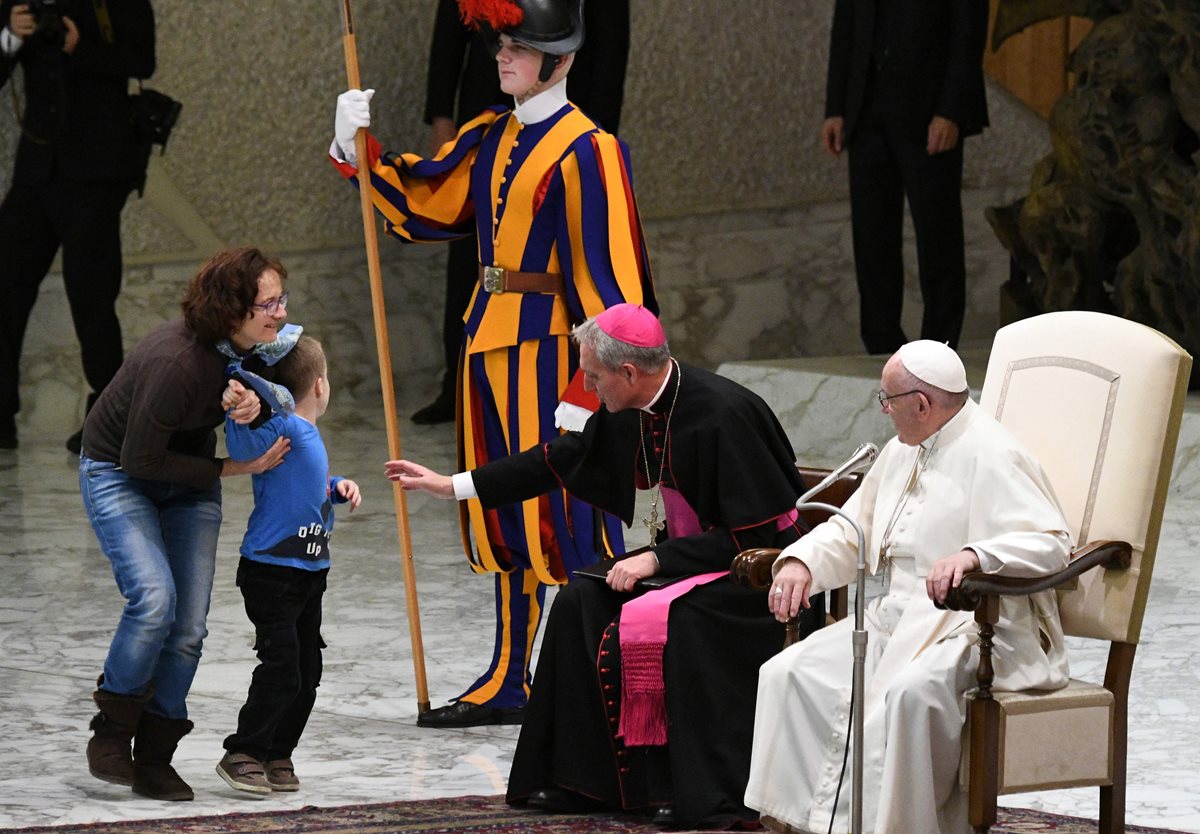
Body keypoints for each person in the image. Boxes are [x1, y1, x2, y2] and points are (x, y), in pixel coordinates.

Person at [331, 0, 656, 728]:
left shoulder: (588, 149)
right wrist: (358, 149)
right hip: (487, 348)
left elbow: (613, 290)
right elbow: (425, 206)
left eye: (519, 46)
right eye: (501, 44)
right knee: (501, 513)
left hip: (553, 358)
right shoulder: (490, 134)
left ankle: (598, 674)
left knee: (572, 522)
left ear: (562, 59)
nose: (502, 57)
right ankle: (511, 675)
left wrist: (590, 388)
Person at [387, 304, 823, 827]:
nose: (588, 389)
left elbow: (751, 535)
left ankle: (680, 789)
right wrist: (455, 486)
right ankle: (581, 782)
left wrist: (655, 558)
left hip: (759, 577)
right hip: (691, 564)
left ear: (629, 373)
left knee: (677, 623)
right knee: (580, 599)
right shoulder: (633, 407)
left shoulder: (724, 413)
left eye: (593, 377)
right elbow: (560, 457)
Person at [744, 340, 1073, 834]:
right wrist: (802, 563)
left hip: (972, 626)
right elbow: (853, 527)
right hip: (892, 618)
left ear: (921, 404)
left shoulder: (994, 452)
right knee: (788, 673)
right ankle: (808, 824)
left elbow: (1051, 544)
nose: (883, 411)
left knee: (908, 696)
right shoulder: (904, 450)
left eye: (887, 401)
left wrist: (976, 555)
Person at [79, 247, 293, 801]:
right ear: (230, 311)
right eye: (267, 303)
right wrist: (235, 466)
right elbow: (139, 461)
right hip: (119, 471)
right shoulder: (177, 362)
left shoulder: (253, 347)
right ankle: (113, 729)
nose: (279, 313)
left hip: (187, 482)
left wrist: (258, 405)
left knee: (189, 629)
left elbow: (289, 382)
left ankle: (155, 756)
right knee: (153, 601)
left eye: (280, 298)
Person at [414, 0, 630, 424]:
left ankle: (582, 381)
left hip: (568, 108)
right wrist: (441, 114)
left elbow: (610, 46)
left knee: (573, 261)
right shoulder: (487, 129)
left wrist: (599, 136)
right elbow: (451, 28)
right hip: (485, 107)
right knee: (476, 253)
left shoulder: (590, 150)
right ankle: (458, 380)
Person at [0, 0, 156, 451]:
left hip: (96, 172)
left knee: (91, 293)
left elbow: (142, 61)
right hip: (37, 168)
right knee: (6, 282)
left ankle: (107, 418)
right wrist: (10, 35)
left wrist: (79, 46)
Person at [216, 335, 362, 795]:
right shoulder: (288, 428)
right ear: (320, 385)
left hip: (309, 573)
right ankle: (243, 752)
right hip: (271, 572)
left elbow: (304, 484)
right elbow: (243, 445)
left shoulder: (307, 435)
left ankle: (278, 753)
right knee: (282, 665)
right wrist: (240, 397)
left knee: (307, 671)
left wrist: (335, 486)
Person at [822, 0, 989, 355]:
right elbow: (846, 22)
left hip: (930, 114)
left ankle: (938, 353)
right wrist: (835, 107)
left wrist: (951, 112)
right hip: (865, 113)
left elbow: (968, 33)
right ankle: (883, 350)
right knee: (871, 240)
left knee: (938, 238)